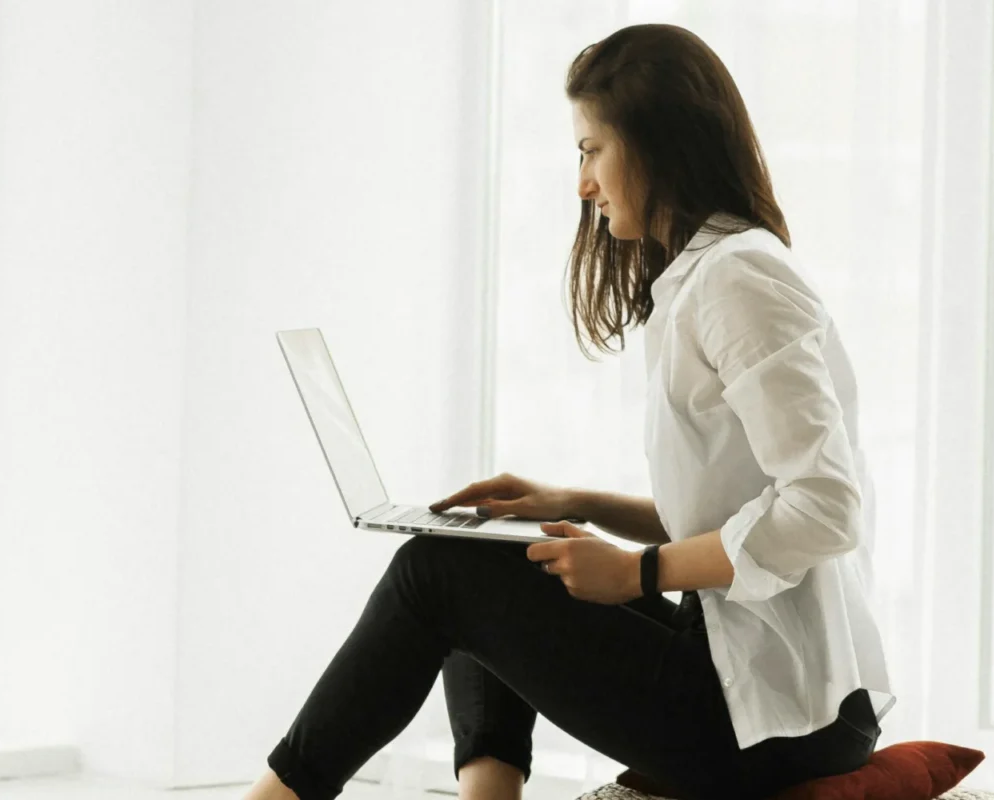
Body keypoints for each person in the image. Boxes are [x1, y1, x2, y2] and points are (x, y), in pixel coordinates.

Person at [244, 23, 893, 800]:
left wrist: (636, 573)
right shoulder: (709, 275)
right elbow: (743, 512)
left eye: (591, 149)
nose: (584, 181)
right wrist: (576, 506)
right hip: (758, 684)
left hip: (781, 719)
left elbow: (823, 510)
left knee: (434, 572)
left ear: (657, 145)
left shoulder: (739, 280)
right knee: (496, 550)